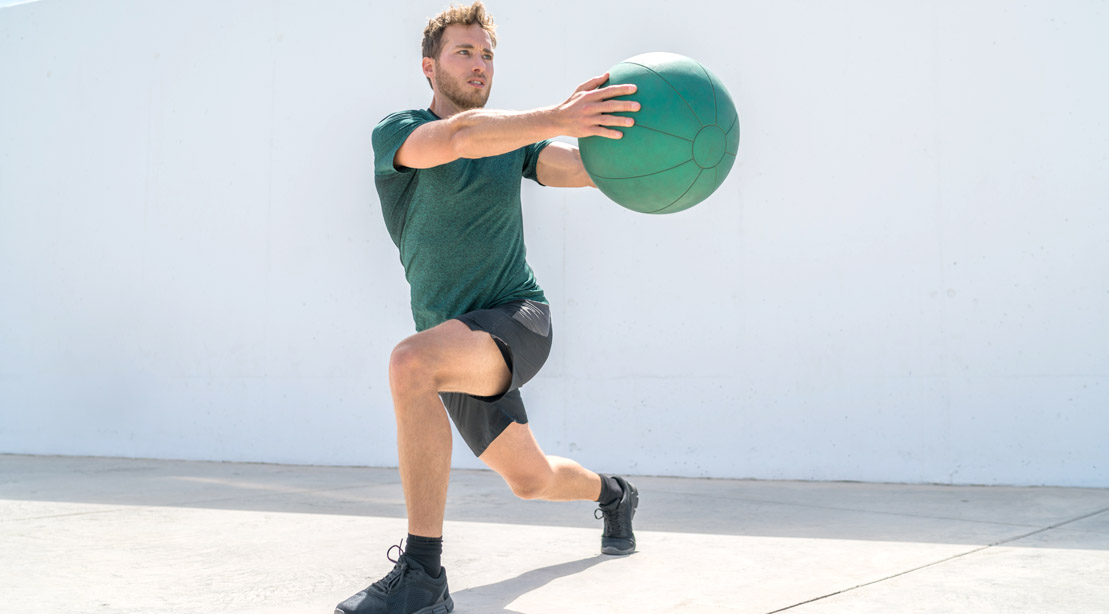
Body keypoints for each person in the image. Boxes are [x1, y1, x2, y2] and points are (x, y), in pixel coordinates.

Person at [336, 3, 641, 613]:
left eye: (487, 55)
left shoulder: (515, 142)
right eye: (464, 52)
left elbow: (581, 170)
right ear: (429, 66)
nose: (480, 65)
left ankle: (422, 576)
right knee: (530, 480)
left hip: (518, 318)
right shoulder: (398, 134)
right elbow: (460, 137)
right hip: (454, 343)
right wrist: (556, 116)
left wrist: (643, 151)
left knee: (408, 363)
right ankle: (614, 494)